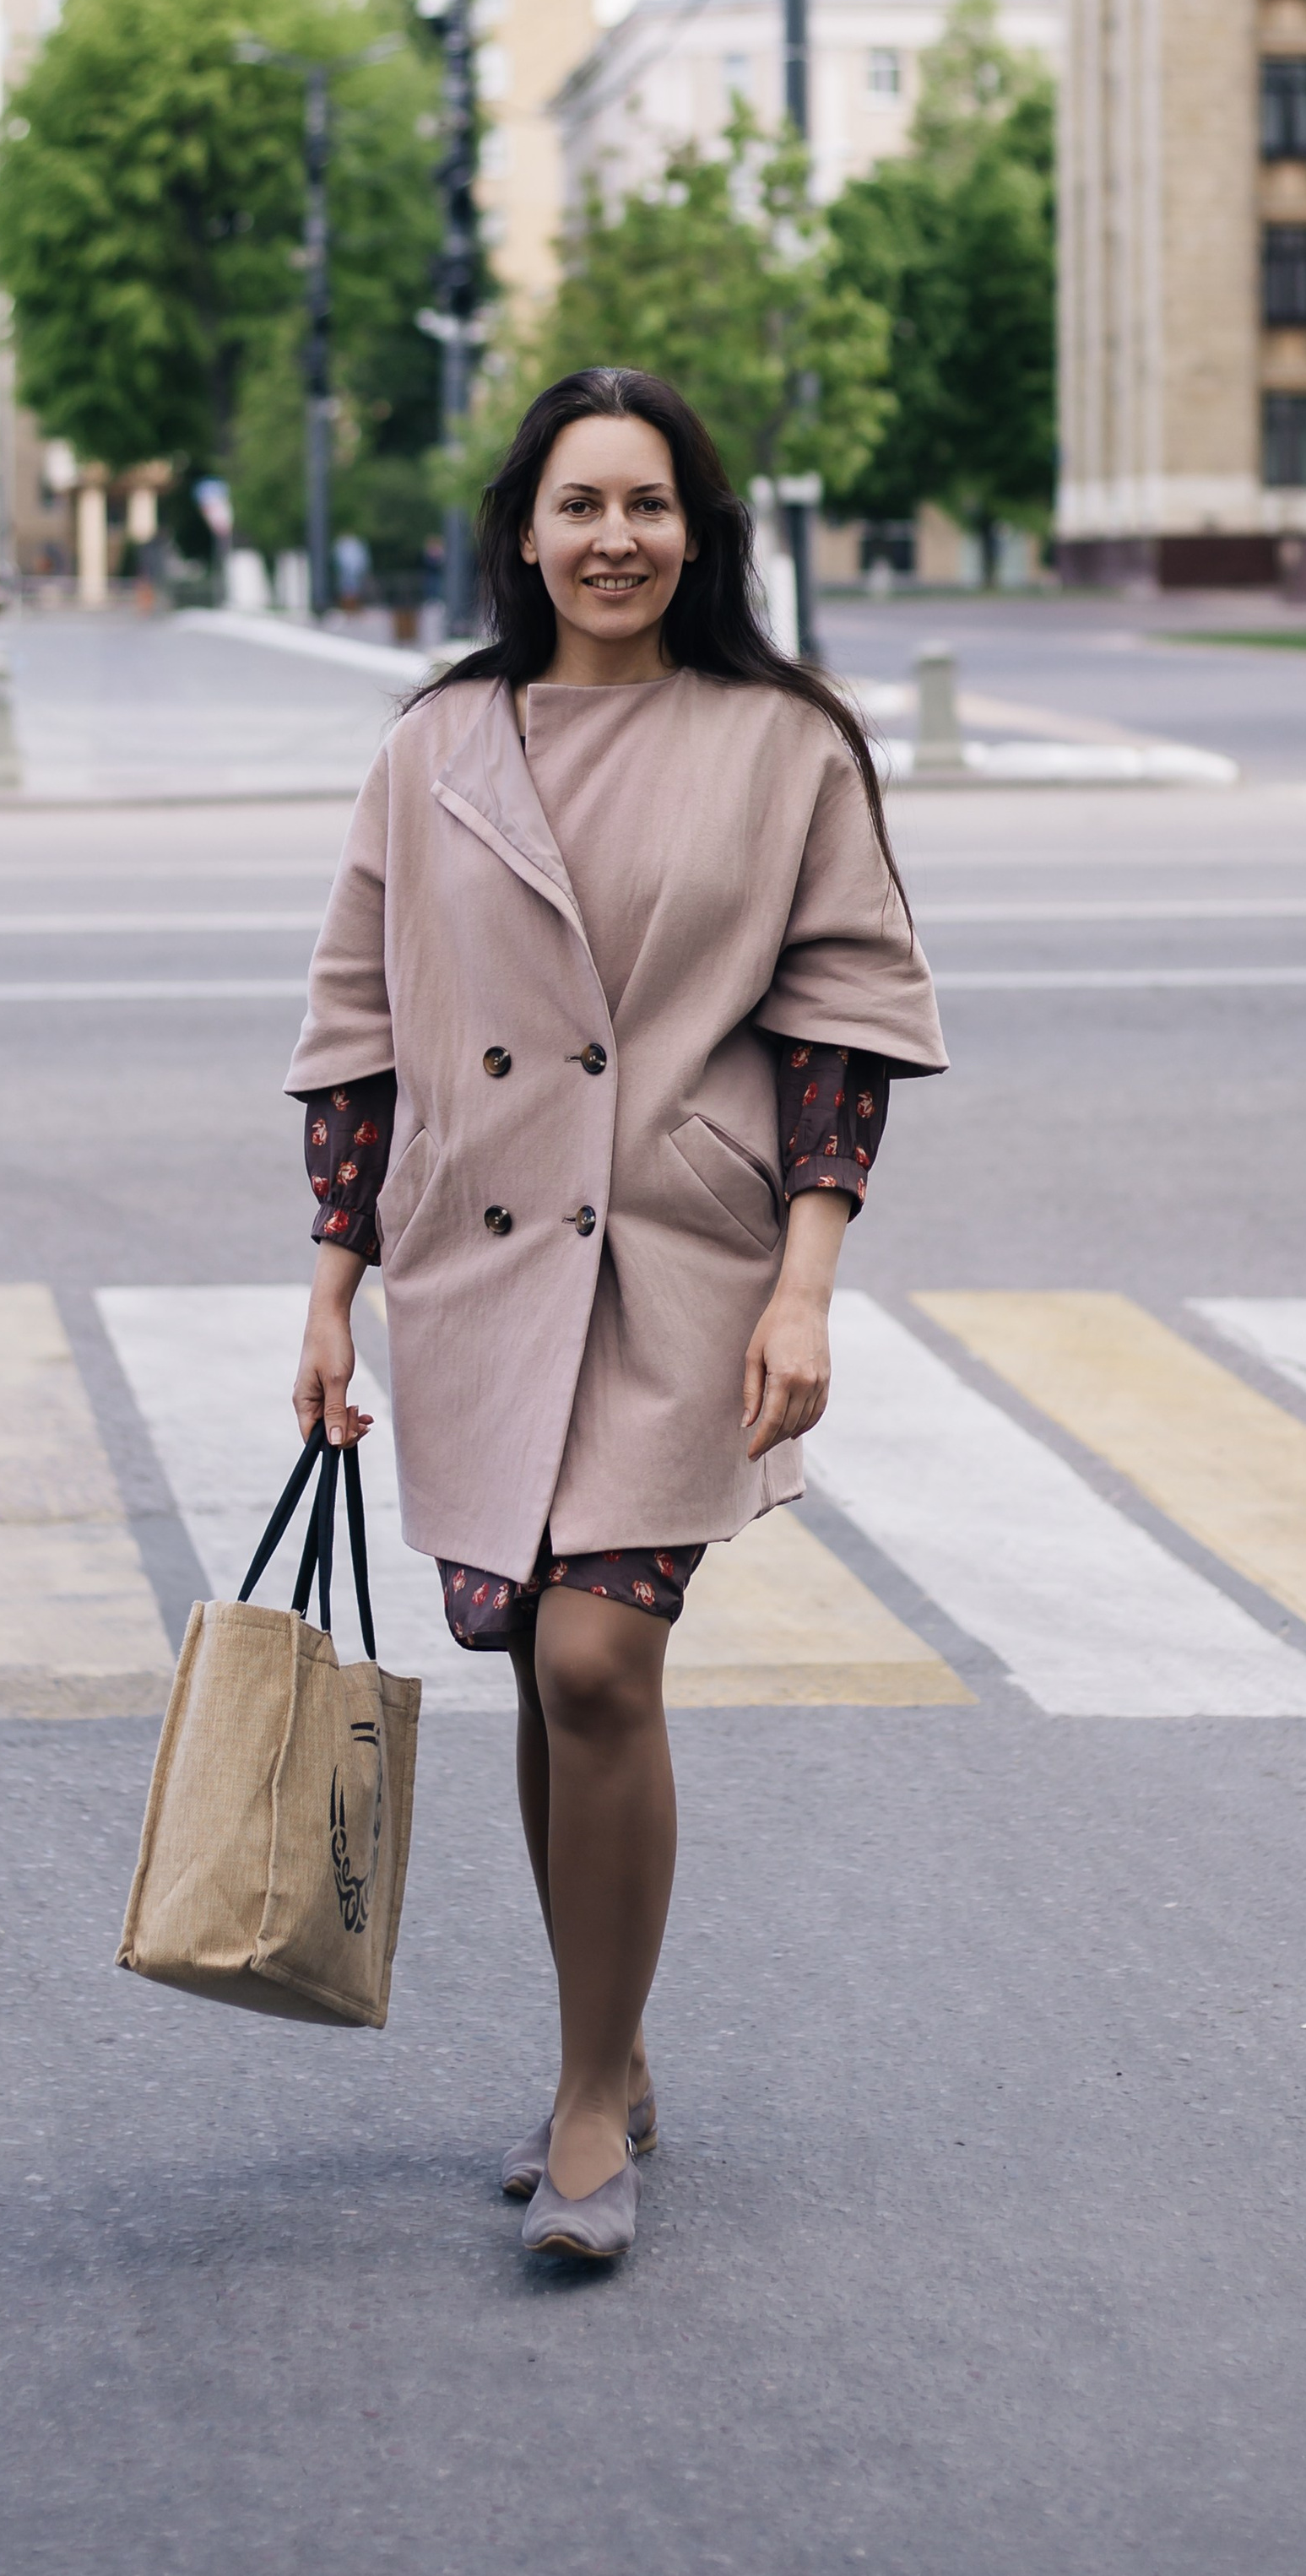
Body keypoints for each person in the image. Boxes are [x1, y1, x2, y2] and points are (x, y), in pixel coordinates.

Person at [286, 365, 946, 2261]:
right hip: (481, 1264)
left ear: (697, 531)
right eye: (578, 504)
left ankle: (586, 2107)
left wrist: (807, 1285)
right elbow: (356, 1029)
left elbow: (838, 1030)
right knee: (527, 1655)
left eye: (648, 504)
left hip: (675, 1260)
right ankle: (617, 2040)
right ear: (520, 532)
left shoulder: (782, 743)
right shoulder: (435, 747)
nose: (613, 538)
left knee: (596, 1662)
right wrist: (332, 1290)